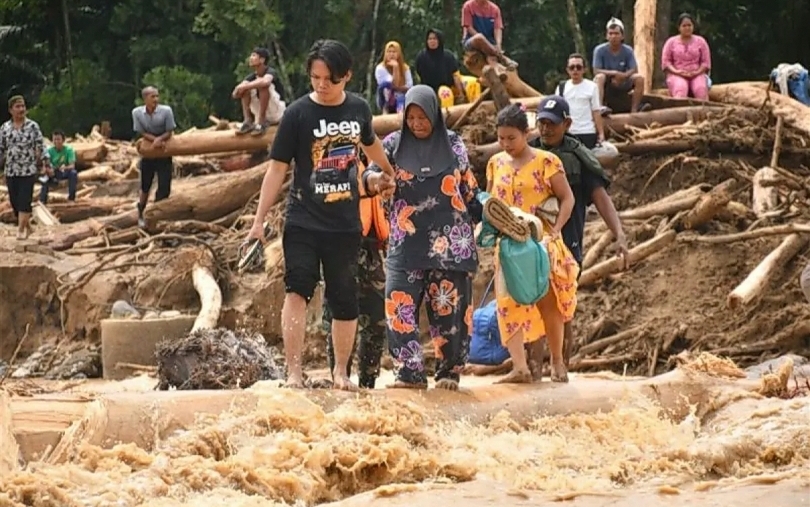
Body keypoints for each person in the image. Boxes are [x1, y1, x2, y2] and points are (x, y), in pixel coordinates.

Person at [246, 39, 396, 392]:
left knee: (345, 297)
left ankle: (341, 373)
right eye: (315, 77)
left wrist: (389, 170)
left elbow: (370, 142)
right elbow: (276, 170)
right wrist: (257, 221)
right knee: (298, 289)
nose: (321, 85)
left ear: (346, 76)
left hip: (345, 224)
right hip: (303, 220)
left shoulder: (358, 109)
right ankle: (294, 372)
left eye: (329, 78)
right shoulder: (297, 114)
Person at [364, 84, 482, 390]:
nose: (417, 123)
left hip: (451, 243)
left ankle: (448, 372)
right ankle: (410, 373)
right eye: (411, 117)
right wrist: (377, 181)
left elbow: (468, 188)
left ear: (434, 115)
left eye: (423, 117)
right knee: (398, 304)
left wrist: (487, 216)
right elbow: (371, 172)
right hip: (406, 241)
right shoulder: (392, 144)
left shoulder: (453, 144)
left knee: (450, 311)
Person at [529, 96, 629, 370]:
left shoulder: (578, 157)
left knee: (564, 307)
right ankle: (534, 368)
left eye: (552, 124)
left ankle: (561, 368)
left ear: (567, 123)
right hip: (532, 243)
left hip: (567, 241)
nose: (546, 129)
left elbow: (601, 197)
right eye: (542, 123)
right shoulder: (528, 153)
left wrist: (619, 234)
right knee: (532, 304)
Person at [484, 104, 579, 383]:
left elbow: (568, 198)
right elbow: (491, 202)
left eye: (511, 138)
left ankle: (558, 363)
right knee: (506, 303)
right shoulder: (495, 163)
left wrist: (556, 229)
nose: (505, 144)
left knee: (548, 302)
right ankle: (520, 367)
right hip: (508, 246)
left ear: (527, 133)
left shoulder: (546, 162)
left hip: (541, 242)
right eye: (501, 138)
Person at [321, 193, 388, 389]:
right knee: (338, 313)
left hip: (371, 246)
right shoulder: (332, 162)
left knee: (377, 320)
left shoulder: (379, 164)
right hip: (339, 244)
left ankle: (368, 384)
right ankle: (340, 379)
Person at [0, 95, 47, 240]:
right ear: (11, 110)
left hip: (28, 169)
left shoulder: (32, 126)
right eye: (18, 107)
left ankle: (20, 230)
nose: (21, 109)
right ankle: (27, 226)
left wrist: (46, 162)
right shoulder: (5, 128)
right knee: (15, 202)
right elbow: (1, 148)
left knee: (24, 200)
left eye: (23, 106)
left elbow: (41, 144)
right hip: (11, 170)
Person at [132, 86, 177, 229]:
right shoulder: (137, 113)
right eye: (153, 97)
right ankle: (141, 210)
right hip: (149, 152)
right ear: (145, 99)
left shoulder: (166, 111)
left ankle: (158, 213)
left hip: (164, 152)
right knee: (145, 185)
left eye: (157, 96)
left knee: (164, 186)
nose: (156, 99)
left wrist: (161, 139)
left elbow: (170, 131)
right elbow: (141, 131)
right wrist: (154, 140)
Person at [592, 18, 649, 114]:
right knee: (599, 77)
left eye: (616, 34)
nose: (613, 36)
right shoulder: (599, 50)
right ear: (606, 36)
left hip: (623, 81)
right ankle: (599, 108)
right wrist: (614, 74)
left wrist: (623, 76)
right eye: (611, 33)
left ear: (622, 36)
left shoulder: (628, 50)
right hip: (607, 83)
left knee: (639, 78)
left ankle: (634, 110)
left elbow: (634, 69)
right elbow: (596, 70)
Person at [555, 54, 605, 149]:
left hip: (587, 132)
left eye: (578, 67)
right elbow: (557, 111)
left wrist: (601, 133)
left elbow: (596, 111)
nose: (575, 70)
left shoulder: (592, 86)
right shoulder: (561, 87)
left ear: (584, 70)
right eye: (572, 67)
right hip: (568, 133)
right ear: (567, 70)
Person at [233, 47, 287, 136]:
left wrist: (245, 86)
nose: (250, 58)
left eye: (254, 55)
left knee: (263, 86)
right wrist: (241, 88)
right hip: (258, 115)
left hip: (276, 113)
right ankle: (248, 121)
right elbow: (235, 94)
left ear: (262, 60)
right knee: (246, 90)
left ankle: (262, 122)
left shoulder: (270, 72)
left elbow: (265, 82)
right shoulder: (250, 77)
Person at [662, 13, 712, 100]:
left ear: (693, 26)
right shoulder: (671, 42)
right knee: (680, 89)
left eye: (689, 25)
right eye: (684, 26)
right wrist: (677, 72)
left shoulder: (701, 41)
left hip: (697, 73)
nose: (687, 28)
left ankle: (703, 112)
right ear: (679, 28)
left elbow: (705, 62)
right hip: (677, 74)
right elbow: (666, 62)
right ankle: (679, 112)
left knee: (700, 89)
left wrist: (696, 72)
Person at [415, 29, 468, 107]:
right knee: (445, 94)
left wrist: (460, 93)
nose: (432, 41)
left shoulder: (448, 55)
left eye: (435, 39)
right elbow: (418, 77)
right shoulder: (421, 57)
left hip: (447, 86)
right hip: (429, 89)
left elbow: (455, 75)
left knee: (473, 84)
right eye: (430, 39)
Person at [461, 0, 518, 70]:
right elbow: (469, 27)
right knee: (479, 38)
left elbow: (497, 28)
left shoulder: (495, 9)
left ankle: (499, 72)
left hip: (490, 43)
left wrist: (498, 44)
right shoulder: (468, 6)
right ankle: (503, 58)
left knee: (491, 59)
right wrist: (483, 40)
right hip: (471, 40)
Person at [39, 130, 78, 204]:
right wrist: (49, 170)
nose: (56, 141)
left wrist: (64, 168)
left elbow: (72, 165)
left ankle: (71, 198)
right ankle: (42, 200)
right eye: (54, 139)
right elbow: (46, 164)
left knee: (73, 173)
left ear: (63, 140)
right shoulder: (49, 151)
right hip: (53, 171)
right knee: (45, 177)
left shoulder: (69, 150)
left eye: (58, 139)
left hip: (64, 171)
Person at [375, 41, 413, 114]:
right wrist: (395, 68)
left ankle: (401, 114)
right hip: (386, 98)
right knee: (385, 86)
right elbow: (392, 84)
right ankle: (385, 111)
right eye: (389, 52)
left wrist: (398, 88)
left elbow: (409, 85)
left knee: (401, 97)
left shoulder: (405, 68)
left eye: (394, 52)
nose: (391, 54)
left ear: (398, 54)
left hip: (402, 96)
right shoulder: (380, 68)